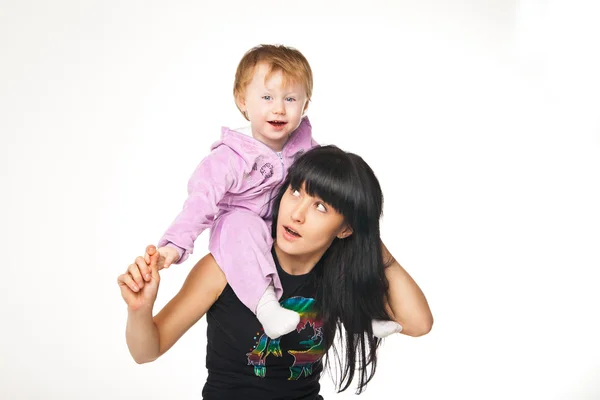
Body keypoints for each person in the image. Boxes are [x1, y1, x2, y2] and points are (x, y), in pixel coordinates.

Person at [118, 145, 433, 399]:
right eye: (296, 191)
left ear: (345, 228)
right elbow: (147, 351)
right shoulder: (226, 266)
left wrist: (369, 239)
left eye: (320, 207)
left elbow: (418, 324)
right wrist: (139, 310)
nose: (296, 214)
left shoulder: (337, 276)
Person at [147, 44, 395, 339]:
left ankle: (363, 315)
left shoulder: (307, 151)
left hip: (285, 232)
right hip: (240, 232)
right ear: (242, 101)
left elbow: (330, 185)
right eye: (267, 97)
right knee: (242, 224)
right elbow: (200, 204)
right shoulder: (229, 159)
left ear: (305, 106)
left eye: (290, 99)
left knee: (330, 235)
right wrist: (174, 246)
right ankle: (267, 308)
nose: (278, 108)